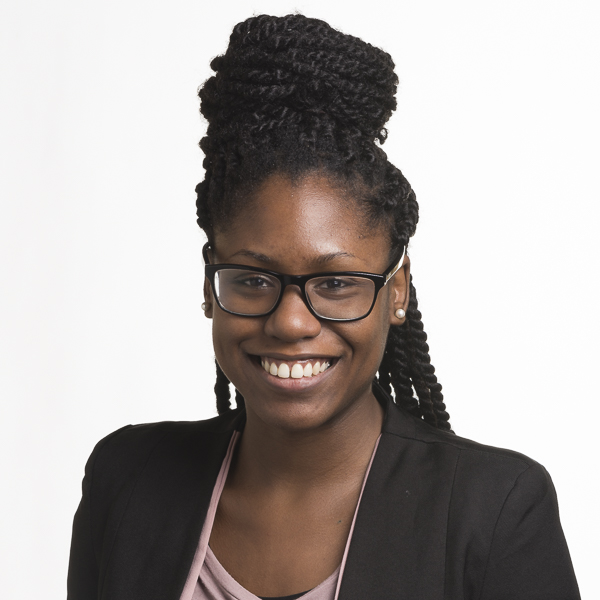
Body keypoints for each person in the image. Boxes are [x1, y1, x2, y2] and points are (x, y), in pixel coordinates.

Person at [67, 14, 580, 600]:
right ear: (209, 284)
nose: (290, 322)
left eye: (336, 283)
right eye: (253, 279)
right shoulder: (127, 480)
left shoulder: (495, 510)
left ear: (397, 291)